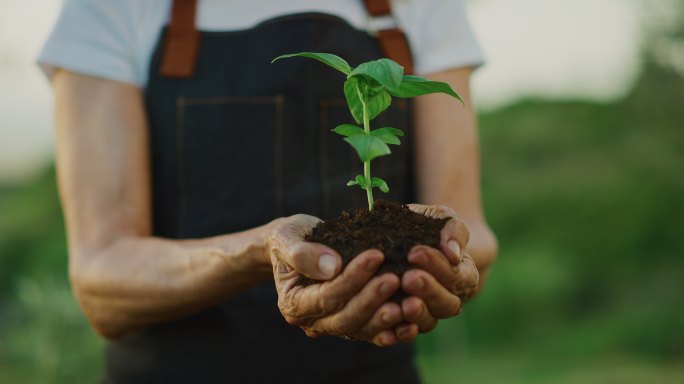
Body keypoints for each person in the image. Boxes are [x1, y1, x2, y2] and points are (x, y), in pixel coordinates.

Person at [39, 0, 498, 382]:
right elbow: (101, 281)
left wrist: (443, 261)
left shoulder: (420, 7)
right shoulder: (111, 8)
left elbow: (471, 232)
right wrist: (262, 249)